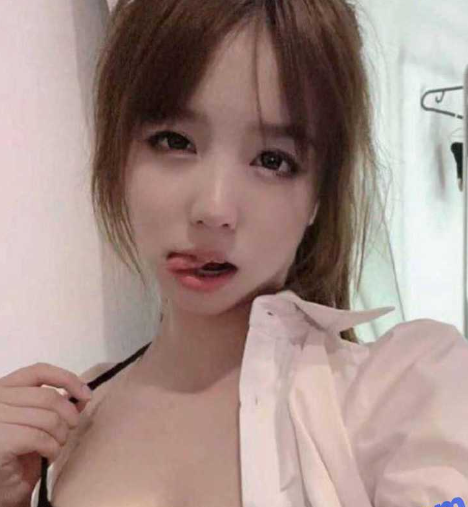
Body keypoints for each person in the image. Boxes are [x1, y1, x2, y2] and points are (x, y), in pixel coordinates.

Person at [0, 0, 467, 506]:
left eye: (273, 160)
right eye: (174, 141)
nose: (214, 209)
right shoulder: (68, 419)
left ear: (319, 197)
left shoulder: (406, 392)